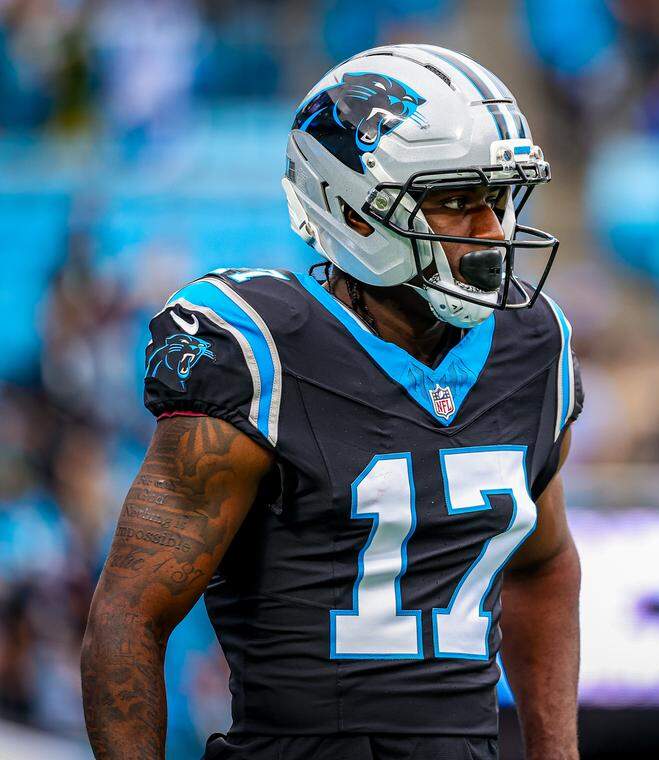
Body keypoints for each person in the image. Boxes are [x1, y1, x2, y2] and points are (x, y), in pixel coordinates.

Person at [80, 44, 583, 760]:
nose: (494, 233)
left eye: (499, 199)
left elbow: (544, 563)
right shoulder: (260, 348)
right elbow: (130, 612)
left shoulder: (531, 345)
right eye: (456, 201)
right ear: (352, 208)